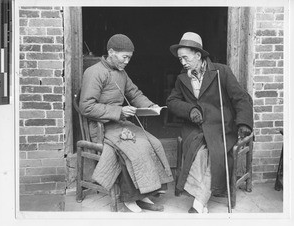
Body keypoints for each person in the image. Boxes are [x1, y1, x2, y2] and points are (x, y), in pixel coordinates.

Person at [79, 34, 173, 212]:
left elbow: (134, 93)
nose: (127, 61)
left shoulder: (122, 73)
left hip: (118, 123)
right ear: (111, 52)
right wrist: (119, 111)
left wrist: (150, 106)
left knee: (153, 142)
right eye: (125, 57)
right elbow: (86, 107)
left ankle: (146, 193)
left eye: (130, 57)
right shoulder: (94, 73)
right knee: (134, 149)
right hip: (101, 126)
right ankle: (130, 198)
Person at [166, 32, 253, 213]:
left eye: (185, 58)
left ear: (198, 55)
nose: (182, 62)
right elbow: (171, 102)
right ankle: (200, 199)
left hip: (221, 126)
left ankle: (199, 201)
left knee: (215, 152)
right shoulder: (182, 78)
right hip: (195, 128)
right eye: (180, 59)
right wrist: (189, 110)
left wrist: (243, 123)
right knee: (199, 153)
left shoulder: (222, 71)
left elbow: (241, 98)